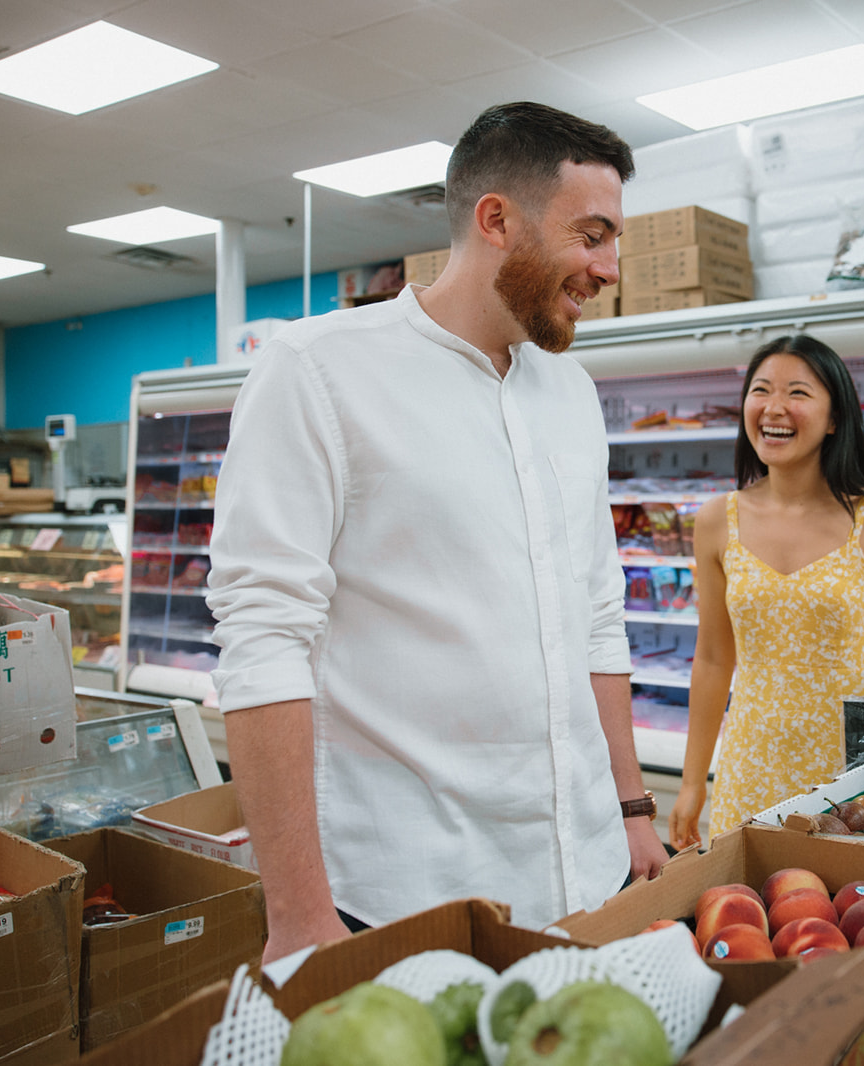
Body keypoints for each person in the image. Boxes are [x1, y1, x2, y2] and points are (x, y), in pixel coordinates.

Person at [207, 102, 667, 963]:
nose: (609, 268)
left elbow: (598, 616)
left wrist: (633, 808)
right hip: (406, 895)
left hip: (589, 872)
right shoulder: (314, 372)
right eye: (592, 235)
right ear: (496, 219)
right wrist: (298, 915)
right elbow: (264, 639)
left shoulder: (572, 394)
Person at [668, 334, 864, 850]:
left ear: (834, 418)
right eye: (761, 390)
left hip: (845, 777)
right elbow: (715, 660)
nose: (774, 407)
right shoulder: (718, 520)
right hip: (747, 769)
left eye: (798, 393)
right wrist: (693, 782)